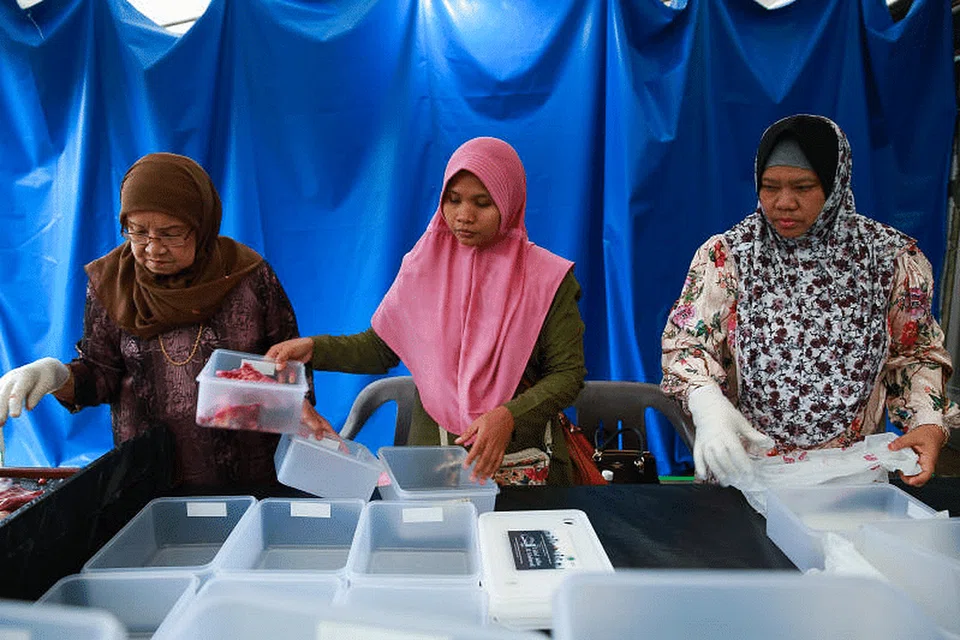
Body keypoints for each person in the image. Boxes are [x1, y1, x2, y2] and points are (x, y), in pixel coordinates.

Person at [267, 137, 586, 485]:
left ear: (509, 203)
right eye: (454, 200)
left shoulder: (548, 279)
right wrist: (314, 348)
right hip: (433, 462)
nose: (464, 215)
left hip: (522, 464)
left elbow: (567, 374)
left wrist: (508, 416)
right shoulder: (424, 265)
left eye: (482, 203)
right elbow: (380, 348)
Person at [0, 153, 333, 486]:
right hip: (150, 478)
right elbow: (101, 377)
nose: (152, 248)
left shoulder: (248, 277)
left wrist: (288, 402)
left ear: (201, 226)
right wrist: (56, 375)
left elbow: (290, 364)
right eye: (138, 231)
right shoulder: (111, 283)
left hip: (249, 475)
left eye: (171, 233)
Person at [661, 114, 956, 488]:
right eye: (770, 187)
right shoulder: (730, 255)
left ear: (835, 184)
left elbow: (916, 354)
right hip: (749, 474)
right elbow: (687, 343)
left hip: (849, 477)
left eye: (803, 187)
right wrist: (706, 403)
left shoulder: (887, 259)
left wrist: (928, 422)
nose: (784, 202)